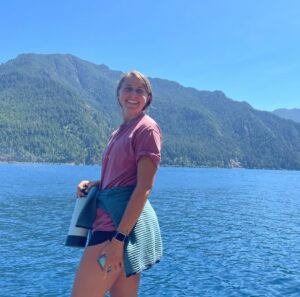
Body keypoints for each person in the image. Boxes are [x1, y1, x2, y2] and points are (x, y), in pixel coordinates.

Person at [71, 70, 163, 297]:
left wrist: (118, 241)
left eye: (140, 90)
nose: (133, 94)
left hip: (115, 230)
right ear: (118, 94)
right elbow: (123, 177)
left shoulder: (147, 129)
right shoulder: (119, 132)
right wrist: (95, 184)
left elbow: (144, 187)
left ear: (148, 98)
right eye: (128, 88)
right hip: (114, 225)